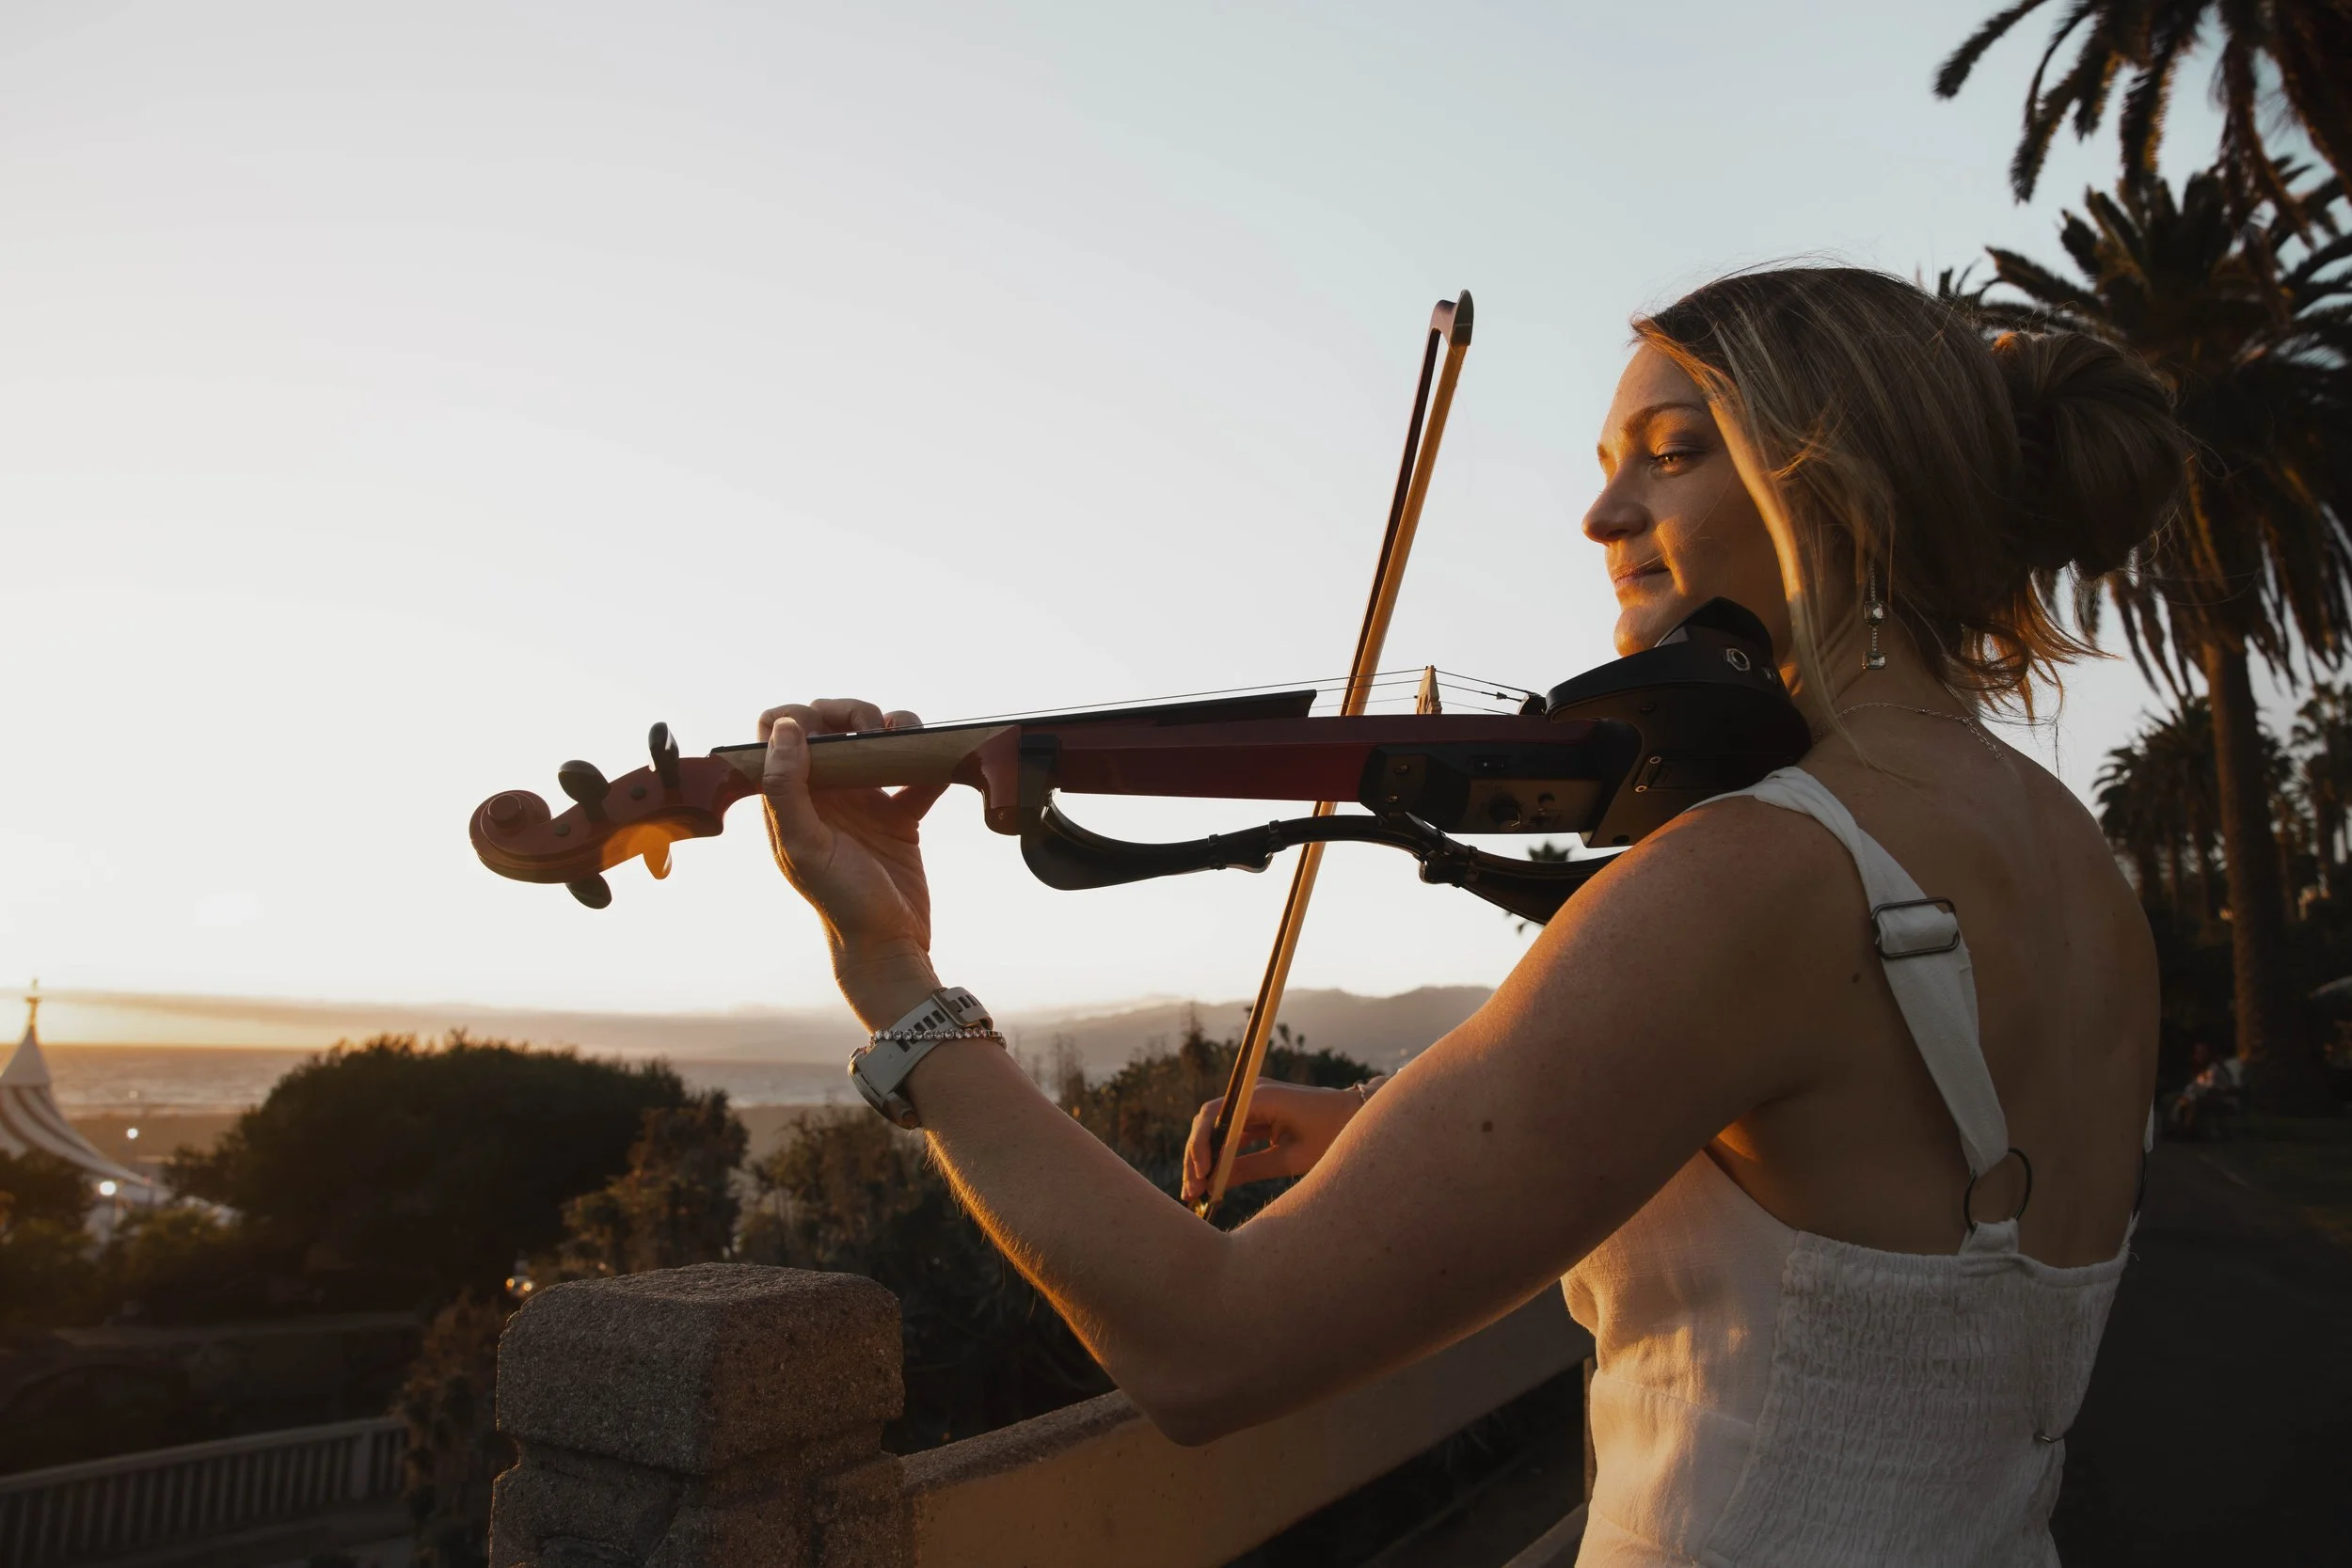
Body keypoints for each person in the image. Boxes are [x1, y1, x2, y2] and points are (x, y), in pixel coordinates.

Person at [755, 266, 2178, 1566]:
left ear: (1843, 481)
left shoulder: (1759, 874)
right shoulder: (2083, 877)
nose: (1600, 517)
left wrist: (898, 979)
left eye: (1672, 455)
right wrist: (1379, 1129)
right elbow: (1864, 1207)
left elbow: (1205, 1345)